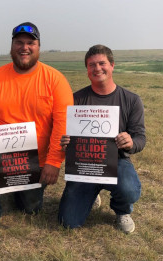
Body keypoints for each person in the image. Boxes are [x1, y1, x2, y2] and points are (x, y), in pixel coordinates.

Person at [0, 22, 74, 238]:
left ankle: (16, 188)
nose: (24, 47)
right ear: (11, 46)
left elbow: (63, 123)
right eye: (19, 42)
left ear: (39, 47)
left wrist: (53, 162)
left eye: (30, 43)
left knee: (30, 209)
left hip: (36, 160)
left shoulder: (55, 80)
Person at [58, 44, 146, 233]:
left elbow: (140, 138)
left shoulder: (131, 100)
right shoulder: (75, 99)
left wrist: (131, 143)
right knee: (68, 222)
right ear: (87, 70)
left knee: (129, 188)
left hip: (117, 161)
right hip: (84, 165)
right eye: (91, 65)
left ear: (112, 65)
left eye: (101, 63)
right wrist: (64, 141)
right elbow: (63, 133)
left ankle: (122, 210)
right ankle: (91, 194)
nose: (97, 68)